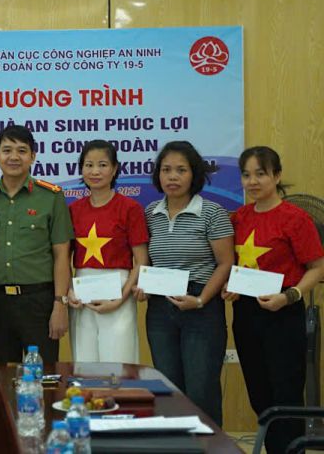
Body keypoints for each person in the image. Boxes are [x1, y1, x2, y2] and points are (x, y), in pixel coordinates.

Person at [223, 146, 324, 454]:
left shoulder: (296, 218)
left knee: (286, 396)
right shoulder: (238, 217)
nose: (252, 181)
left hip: (283, 313)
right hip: (247, 315)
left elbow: (317, 267)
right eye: (246, 174)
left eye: (261, 174)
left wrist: (290, 295)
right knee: (260, 395)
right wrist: (231, 286)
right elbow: (234, 265)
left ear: (277, 176)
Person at [137, 140, 234, 426]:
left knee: (200, 389)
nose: (173, 176)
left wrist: (202, 299)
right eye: (166, 170)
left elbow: (226, 263)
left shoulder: (212, 212)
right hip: (160, 308)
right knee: (168, 389)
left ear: (194, 174)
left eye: (181, 170)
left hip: (200, 306)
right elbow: (146, 261)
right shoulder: (150, 213)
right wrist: (143, 284)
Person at [0, 125, 73, 364]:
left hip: (39, 301)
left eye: (22, 150)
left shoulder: (51, 197)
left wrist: (60, 304)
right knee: (1, 376)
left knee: (44, 376)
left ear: (33, 156)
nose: (14, 157)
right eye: (6, 150)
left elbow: (61, 255)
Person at [67, 140, 148, 364]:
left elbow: (141, 260)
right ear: (81, 169)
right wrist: (69, 291)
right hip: (82, 290)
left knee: (118, 364)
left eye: (102, 165)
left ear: (114, 169)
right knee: (85, 363)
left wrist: (120, 298)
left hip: (119, 289)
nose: (95, 171)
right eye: (88, 165)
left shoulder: (130, 208)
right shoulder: (73, 210)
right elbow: (64, 258)